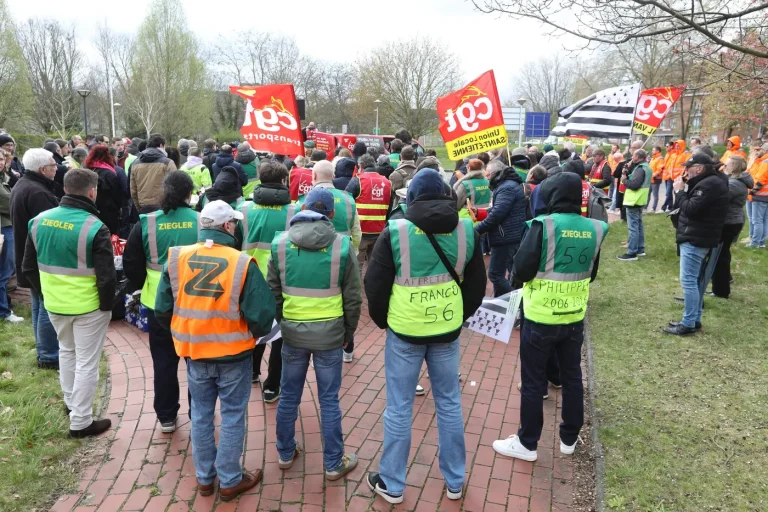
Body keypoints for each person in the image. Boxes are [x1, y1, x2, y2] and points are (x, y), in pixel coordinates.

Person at [364, 169, 486, 504]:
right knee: (449, 402)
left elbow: (374, 286)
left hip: (404, 331)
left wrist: (383, 321)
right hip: (446, 330)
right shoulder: (466, 230)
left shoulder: (397, 231)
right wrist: (459, 316)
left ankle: (392, 483)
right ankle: (455, 480)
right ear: (448, 195)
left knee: (400, 407)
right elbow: (477, 286)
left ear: (412, 197)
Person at [154, 200, 275, 501]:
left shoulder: (177, 257)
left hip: (195, 353)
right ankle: (231, 480)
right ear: (227, 226)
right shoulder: (241, 262)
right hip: (234, 354)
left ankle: (205, 478)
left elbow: (162, 308)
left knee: (203, 415)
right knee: (233, 415)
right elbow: (261, 315)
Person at [493, 172, 608, 462]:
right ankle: (569, 439)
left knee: (533, 381)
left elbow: (520, 269)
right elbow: (591, 274)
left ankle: (527, 443)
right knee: (572, 376)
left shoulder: (542, 226)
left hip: (540, 315)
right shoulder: (596, 228)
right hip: (573, 315)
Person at [268, 187, 362, 481]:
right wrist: (348, 333)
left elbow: (273, 293)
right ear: (332, 213)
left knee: (289, 396)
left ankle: (285, 453)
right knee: (330, 400)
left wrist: (284, 322)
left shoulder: (281, 244)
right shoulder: (343, 246)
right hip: (331, 335)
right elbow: (353, 298)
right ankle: (333, 462)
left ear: (302, 209)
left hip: (293, 334)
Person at [23, 168, 116, 437]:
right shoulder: (95, 226)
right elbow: (107, 277)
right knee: (87, 361)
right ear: (92, 192)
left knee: (67, 352)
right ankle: (81, 421)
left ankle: (71, 404)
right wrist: (107, 306)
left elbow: (28, 266)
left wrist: (45, 294)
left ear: (65, 189)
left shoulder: (39, 221)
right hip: (89, 306)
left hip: (55, 304)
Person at [123, 171, 199, 431]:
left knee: (164, 361)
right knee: (196, 361)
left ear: (164, 193)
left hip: (157, 303)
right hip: (195, 304)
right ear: (190, 194)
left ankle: (166, 416)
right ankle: (199, 411)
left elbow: (130, 263)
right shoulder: (201, 221)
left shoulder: (146, 223)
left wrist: (142, 284)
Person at [239, 161, 296, 401]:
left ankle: (252, 371)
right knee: (279, 334)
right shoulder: (294, 211)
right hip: (281, 279)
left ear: (259, 180)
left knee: (253, 326)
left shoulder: (243, 209)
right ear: (284, 181)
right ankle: (272, 386)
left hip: (248, 278)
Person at [663, 153, 728, 335]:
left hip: (696, 238)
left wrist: (680, 191)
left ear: (699, 169)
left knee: (689, 282)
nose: (685, 171)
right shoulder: (709, 182)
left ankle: (688, 323)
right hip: (699, 235)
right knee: (695, 281)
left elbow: (691, 209)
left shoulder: (709, 185)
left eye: (688, 168)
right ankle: (694, 318)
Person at [10, 148, 60, 368]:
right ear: (42, 169)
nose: (56, 168)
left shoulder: (23, 185)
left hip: (28, 256)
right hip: (40, 258)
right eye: (53, 165)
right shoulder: (38, 193)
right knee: (47, 306)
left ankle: (43, 349)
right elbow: (50, 230)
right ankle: (48, 355)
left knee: (39, 303)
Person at [475, 160, 527, 297]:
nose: (486, 178)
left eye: (487, 174)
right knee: (510, 272)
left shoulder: (506, 187)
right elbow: (501, 209)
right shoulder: (507, 185)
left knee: (495, 274)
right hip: (509, 235)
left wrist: (477, 230)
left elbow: (498, 213)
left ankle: (518, 302)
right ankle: (501, 303)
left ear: (494, 173)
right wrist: (480, 213)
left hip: (505, 237)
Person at [710, 156, 751, 298]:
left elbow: (720, 198)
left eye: (726, 164)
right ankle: (721, 285)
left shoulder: (734, 184)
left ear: (733, 167)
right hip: (732, 220)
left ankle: (721, 290)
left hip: (729, 222)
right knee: (722, 254)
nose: (723, 166)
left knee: (720, 256)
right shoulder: (735, 181)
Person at [302, 160, 361, 253]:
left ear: (314, 176)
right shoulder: (348, 200)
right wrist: (353, 252)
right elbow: (357, 233)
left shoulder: (303, 200)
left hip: (311, 255)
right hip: (340, 253)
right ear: (333, 176)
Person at [347, 154, 391, 273]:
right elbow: (389, 208)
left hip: (361, 231)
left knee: (357, 266)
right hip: (379, 231)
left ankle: (358, 290)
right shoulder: (387, 182)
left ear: (361, 166)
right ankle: (371, 290)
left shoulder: (358, 180)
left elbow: (347, 202)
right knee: (375, 266)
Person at [617, 149, 651, 261]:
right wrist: (627, 171)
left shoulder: (640, 169)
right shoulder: (645, 167)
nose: (632, 157)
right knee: (639, 225)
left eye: (634, 155)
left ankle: (632, 252)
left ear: (639, 157)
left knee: (633, 227)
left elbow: (635, 184)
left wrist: (624, 180)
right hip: (640, 200)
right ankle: (640, 249)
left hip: (634, 200)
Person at [0, 150, 22, 323]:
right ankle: (3, 312)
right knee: (4, 271)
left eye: (1, 159)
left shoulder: (4, 178)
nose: (0, 162)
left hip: (7, 225)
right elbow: (9, 205)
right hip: (3, 228)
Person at [130, 134, 177, 213]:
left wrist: (138, 208)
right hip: (164, 206)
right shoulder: (168, 162)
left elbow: (133, 189)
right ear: (161, 145)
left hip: (144, 206)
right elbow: (176, 185)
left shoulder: (135, 163)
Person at [84, 144, 123, 235]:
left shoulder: (86, 169)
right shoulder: (109, 172)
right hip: (108, 210)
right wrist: (120, 207)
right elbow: (116, 193)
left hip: (90, 208)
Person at [749, 144, 768, 248]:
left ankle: (755, 243)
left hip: (760, 195)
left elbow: (760, 180)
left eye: (761, 149)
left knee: (757, 221)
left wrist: (751, 191)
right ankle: (762, 243)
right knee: (765, 220)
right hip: (766, 196)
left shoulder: (765, 163)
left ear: (765, 150)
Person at [648, 146, 664, 212]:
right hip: (651, 178)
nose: (652, 151)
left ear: (657, 151)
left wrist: (654, 175)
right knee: (648, 193)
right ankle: (645, 206)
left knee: (655, 194)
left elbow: (659, 169)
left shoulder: (660, 159)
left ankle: (653, 208)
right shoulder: (653, 159)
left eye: (653, 150)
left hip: (656, 179)